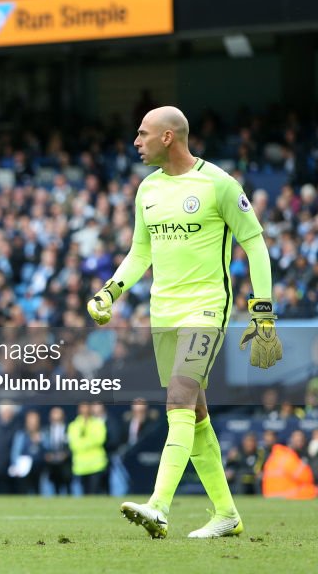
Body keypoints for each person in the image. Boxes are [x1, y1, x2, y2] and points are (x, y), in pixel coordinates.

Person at [88, 105, 281, 539]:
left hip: (207, 309)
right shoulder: (147, 190)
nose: (136, 142)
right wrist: (110, 292)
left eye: (142, 134)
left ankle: (158, 506)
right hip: (164, 312)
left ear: (168, 138)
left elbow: (256, 246)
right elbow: (141, 253)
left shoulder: (219, 185)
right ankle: (227, 514)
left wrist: (263, 312)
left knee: (178, 396)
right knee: (194, 413)